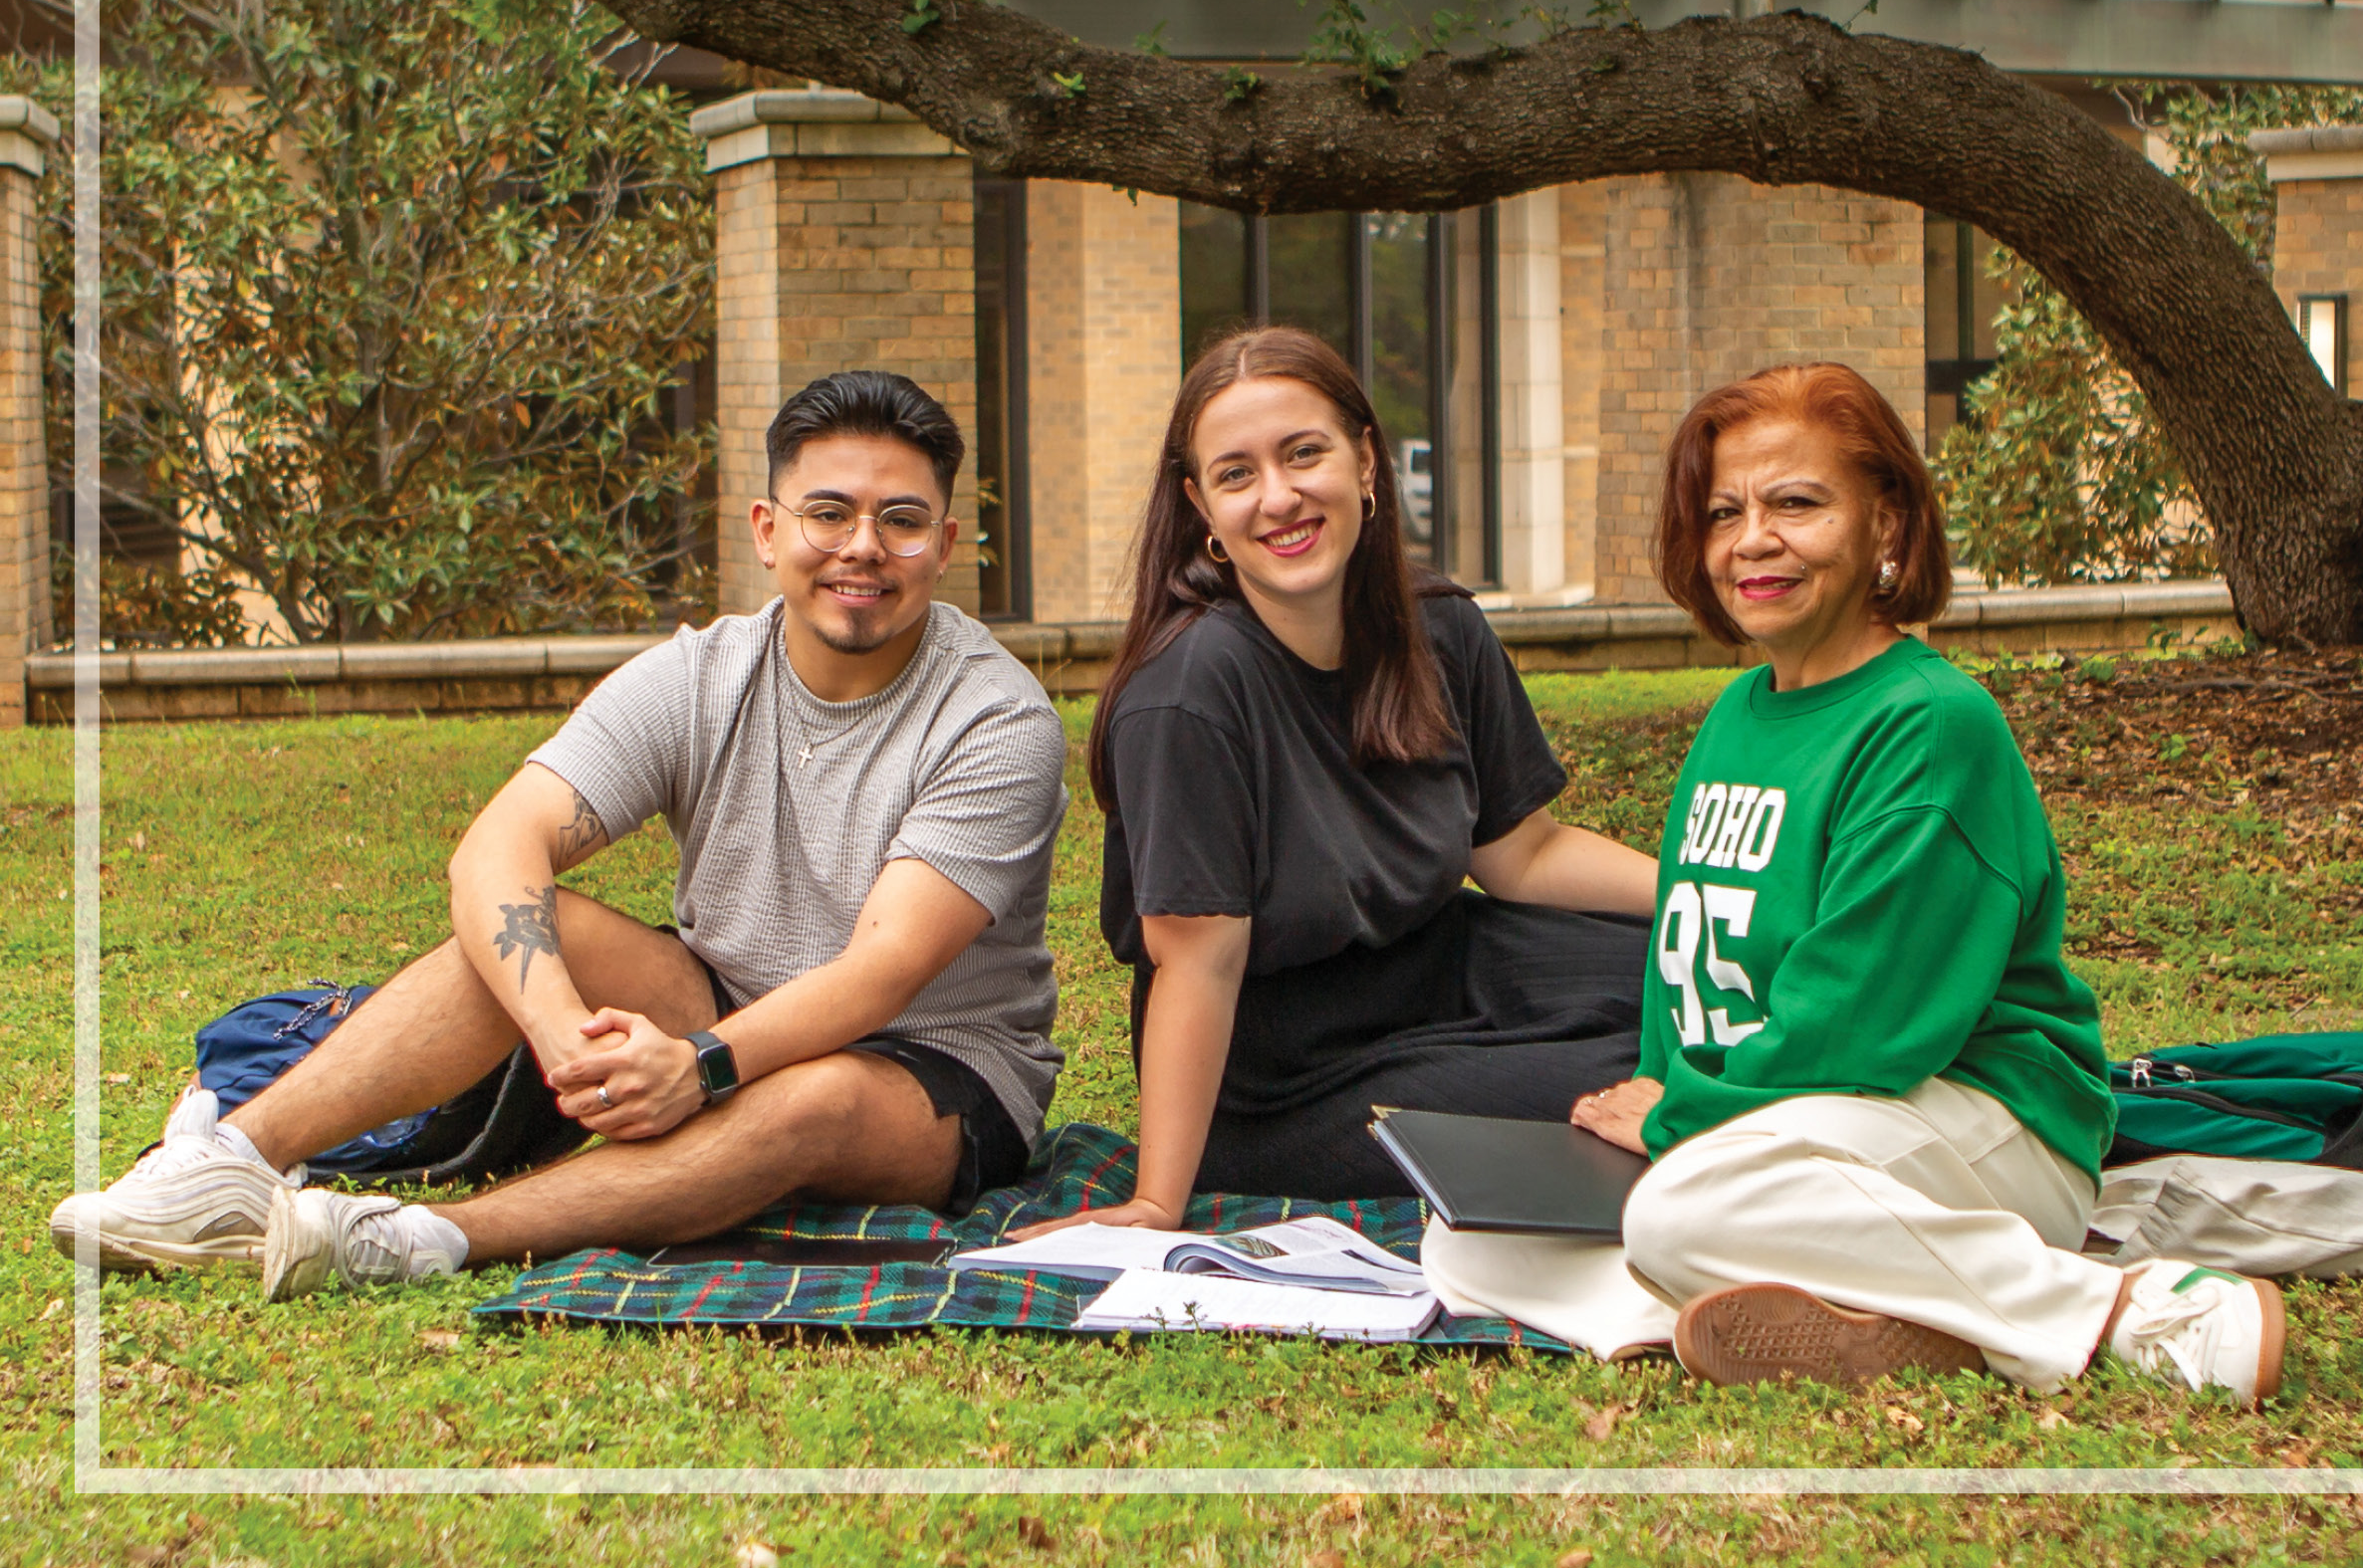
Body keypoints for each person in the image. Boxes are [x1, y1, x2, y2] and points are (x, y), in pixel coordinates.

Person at [54, 369, 1067, 1299]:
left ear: (943, 542)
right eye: (829, 513)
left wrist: (701, 1065)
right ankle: (227, 1164)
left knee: (816, 1100)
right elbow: (498, 845)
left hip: (931, 1065)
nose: (861, 547)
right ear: (767, 529)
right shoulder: (700, 674)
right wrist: (558, 1038)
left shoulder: (996, 718)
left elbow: (883, 970)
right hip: (723, 999)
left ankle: (416, 1235)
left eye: (901, 520)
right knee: (541, 923)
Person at [1566, 361, 2285, 1406]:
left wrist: (1677, 1120)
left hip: (1970, 1114)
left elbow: (1862, 1023)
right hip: (1784, 1127)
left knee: (1679, 1213)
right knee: (1478, 1240)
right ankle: (1893, 1322)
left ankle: (2135, 1312)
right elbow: (1681, 978)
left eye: (1796, 503)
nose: (1751, 539)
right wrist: (1661, 1106)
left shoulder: (1930, 725)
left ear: (1886, 523)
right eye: (1724, 511)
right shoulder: (1734, 717)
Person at [1033, 325, 1659, 1225]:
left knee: (1724, 992)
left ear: (1365, 461)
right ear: (1201, 507)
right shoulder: (1189, 694)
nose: (1279, 496)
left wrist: (1710, 899)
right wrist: (1159, 1200)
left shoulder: (1439, 626)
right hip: (1287, 1071)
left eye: (1303, 453)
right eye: (1237, 474)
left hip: (1444, 961)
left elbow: (1523, 853)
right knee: (1631, 1079)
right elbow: (1198, 964)